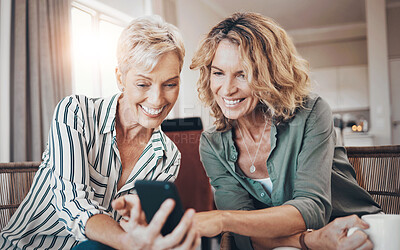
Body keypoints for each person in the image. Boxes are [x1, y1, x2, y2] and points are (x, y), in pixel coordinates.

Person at [0, 16, 200, 250]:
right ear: (120, 78)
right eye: (143, 84)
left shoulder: (168, 157)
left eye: (169, 84)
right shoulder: (76, 113)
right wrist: (128, 241)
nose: (157, 100)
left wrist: (143, 229)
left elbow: (136, 228)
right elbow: (73, 202)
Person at [190, 12, 381, 250]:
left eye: (243, 74)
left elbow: (312, 209)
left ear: (269, 75)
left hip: (356, 233)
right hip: (286, 245)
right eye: (218, 73)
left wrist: (222, 218)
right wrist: (310, 240)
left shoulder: (311, 112)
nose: (227, 89)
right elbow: (243, 235)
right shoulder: (212, 144)